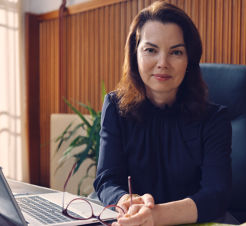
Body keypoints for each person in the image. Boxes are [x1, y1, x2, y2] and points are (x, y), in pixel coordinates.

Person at [93, 1, 232, 225]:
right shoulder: (116, 107)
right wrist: (126, 200)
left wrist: (156, 215)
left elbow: (216, 194)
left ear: (189, 60)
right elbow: (107, 178)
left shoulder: (214, 119)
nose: (162, 63)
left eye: (176, 52)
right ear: (134, 55)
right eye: (151, 50)